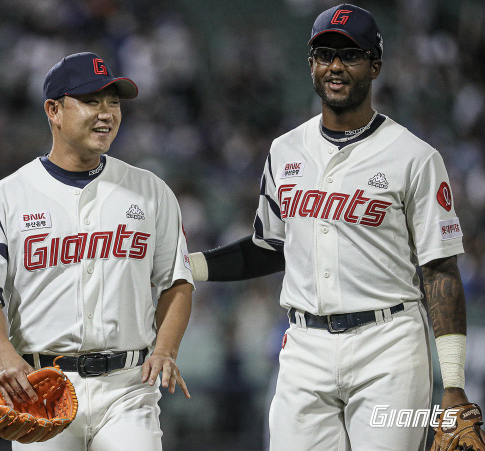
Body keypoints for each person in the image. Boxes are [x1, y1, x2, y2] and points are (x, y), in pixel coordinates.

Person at [189, 4, 480, 450]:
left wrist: (455, 383)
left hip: (388, 347)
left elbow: (439, 270)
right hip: (304, 347)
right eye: (325, 54)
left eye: (351, 55)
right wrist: (189, 267)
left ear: (375, 65)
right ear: (311, 65)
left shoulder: (415, 157)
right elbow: (270, 248)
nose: (336, 66)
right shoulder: (285, 151)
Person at [0, 52, 194, 451]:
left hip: (127, 389)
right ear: (54, 110)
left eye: (113, 102)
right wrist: (3, 355)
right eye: (91, 101)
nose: (106, 113)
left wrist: (166, 348)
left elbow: (177, 282)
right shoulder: (4, 197)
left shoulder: (151, 191)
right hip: (43, 389)